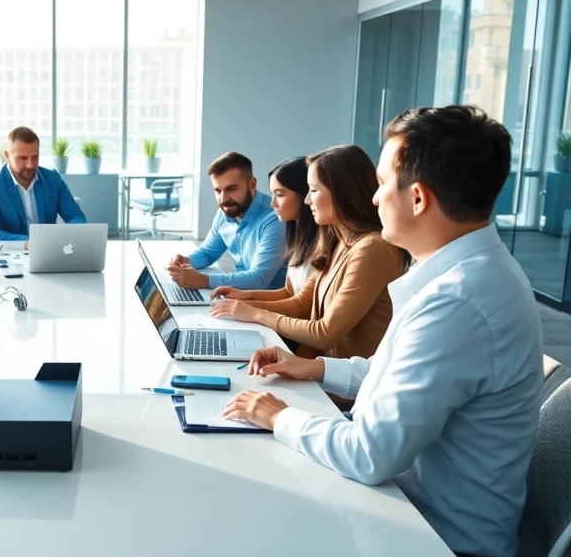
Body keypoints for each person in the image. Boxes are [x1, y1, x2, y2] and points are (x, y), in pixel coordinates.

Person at [221, 106, 543, 557]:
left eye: (382, 183)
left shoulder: (458, 301)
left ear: (418, 198)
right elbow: (393, 373)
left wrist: (278, 417)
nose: (374, 199)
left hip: (431, 537)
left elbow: (368, 455)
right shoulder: (466, 275)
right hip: (403, 510)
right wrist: (316, 368)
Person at [210, 145, 408, 362]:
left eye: (313, 191)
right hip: (322, 368)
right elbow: (303, 303)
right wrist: (244, 302)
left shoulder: (371, 249)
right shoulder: (338, 242)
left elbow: (324, 334)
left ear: (341, 192)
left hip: (346, 379)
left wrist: (256, 313)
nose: (307, 201)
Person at [168, 152, 286, 291]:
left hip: (270, 299)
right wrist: (186, 261)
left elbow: (258, 279)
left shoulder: (275, 218)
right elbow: (207, 253)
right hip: (242, 295)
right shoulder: (225, 211)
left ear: (252, 184)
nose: (223, 199)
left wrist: (203, 280)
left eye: (231, 189)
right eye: (218, 191)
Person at [210, 156, 318, 303]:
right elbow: (289, 293)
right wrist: (244, 297)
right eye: (218, 190)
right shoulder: (297, 236)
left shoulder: (276, 222)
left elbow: (303, 307)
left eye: (279, 194)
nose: (272, 203)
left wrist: (251, 307)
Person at [0, 126, 86, 244]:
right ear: (7, 156)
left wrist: (64, 236)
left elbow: (76, 216)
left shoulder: (53, 178)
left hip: (48, 250)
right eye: (23, 158)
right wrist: (29, 242)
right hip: (10, 252)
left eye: (35, 157)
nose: (30, 165)